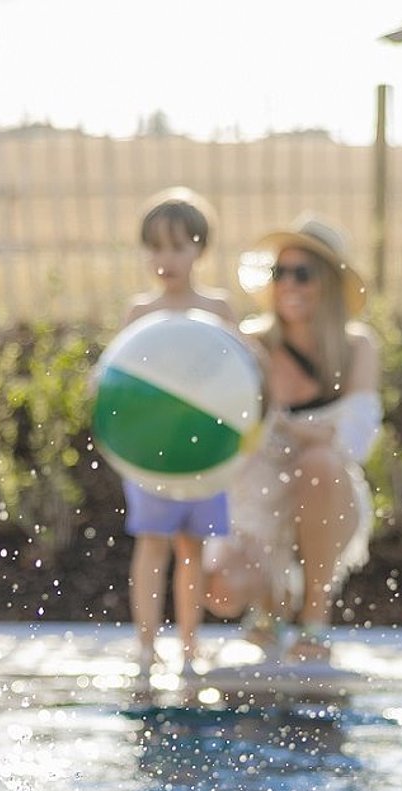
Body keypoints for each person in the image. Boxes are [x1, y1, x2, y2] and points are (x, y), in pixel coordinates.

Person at [204, 215, 382, 662]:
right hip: (260, 497)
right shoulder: (253, 342)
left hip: (326, 495)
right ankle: (270, 607)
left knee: (319, 462)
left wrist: (289, 430)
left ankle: (314, 616)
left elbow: (355, 439)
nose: (289, 284)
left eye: (302, 273)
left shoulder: (356, 347)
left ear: (328, 283)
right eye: (279, 272)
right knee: (221, 590)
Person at [115, 187, 237, 685]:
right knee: (152, 543)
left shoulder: (217, 309)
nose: (165, 259)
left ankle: (190, 646)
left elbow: (238, 375)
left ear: (199, 249)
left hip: (204, 454)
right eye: (156, 248)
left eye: (178, 247)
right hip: (151, 455)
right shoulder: (139, 314)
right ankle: (146, 646)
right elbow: (117, 380)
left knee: (193, 548)